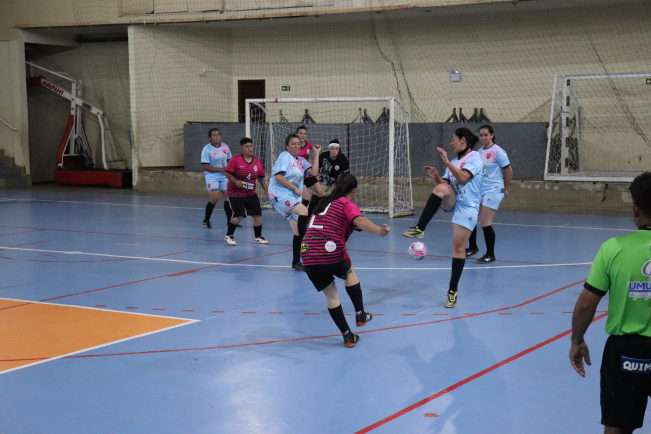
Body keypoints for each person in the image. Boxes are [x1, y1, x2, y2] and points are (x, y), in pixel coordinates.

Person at [570, 172, 651, 434]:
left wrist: (577, 340)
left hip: (626, 351)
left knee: (616, 425)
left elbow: (586, 304)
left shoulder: (613, 248)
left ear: (635, 207)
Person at [302, 173, 390, 347]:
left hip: (307, 254)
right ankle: (360, 314)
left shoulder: (322, 203)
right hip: (329, 250)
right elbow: (360, 221)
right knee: (349, 271)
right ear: (354, 190)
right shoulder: (346, 204)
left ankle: (347, 336)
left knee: (331, 295)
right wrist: (380, 231)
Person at [401, 128, 484, 308]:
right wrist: (436, 177)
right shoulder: (454, 162)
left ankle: (452, 291)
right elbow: (445, 186)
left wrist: (446, 161)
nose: (451, 143)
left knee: (458, 248)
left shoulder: (475, 158)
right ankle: (420, 228)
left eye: (454, 139)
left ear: (463, 140)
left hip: (468, 207)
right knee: (440, 188)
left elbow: (463, 177)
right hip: (454, 201)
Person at [268, 133, 321, 271]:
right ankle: (307, 250)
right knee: (304, 211)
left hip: (291, 197)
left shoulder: (301, 161)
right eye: (293, 144)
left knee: (298, 230)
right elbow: (278, 177)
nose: (296, 146)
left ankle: (296, 262)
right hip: (279, 194)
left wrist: (316, 154)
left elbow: (314, 172)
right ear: (287, 146)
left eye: (298, 144)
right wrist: (294, 188)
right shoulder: (284, 156)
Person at [466, 125, 513, 263]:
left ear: (492, 135)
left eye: (486, 135)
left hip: (493, 189)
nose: (483, 138)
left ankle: (490, 254)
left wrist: (504, 187)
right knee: (470, 217)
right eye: (481, 135)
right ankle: (473, 247)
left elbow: (509, 171)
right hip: (480, 189)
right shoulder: (480, 151)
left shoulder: (498, 152)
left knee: (485, 221)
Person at [223, 137, 268, 245]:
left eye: (251, 146)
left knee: (257, 215)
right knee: (238, 215)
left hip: (250, 193)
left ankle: (258, 237)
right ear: (242, 149)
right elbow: (227, 173)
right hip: (235, 193)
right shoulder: (235, 160)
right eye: (246, 147)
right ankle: (229, 235)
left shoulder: (257, 162)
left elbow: (261, 178)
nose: (249, 148)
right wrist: (236, 181)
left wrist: (266, 190)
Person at [201, 128, 233, 228]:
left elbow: (230, 161)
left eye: (218, 134)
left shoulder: (225, 147)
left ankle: (230, 222)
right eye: (214, 135)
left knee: (228, 198)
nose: (217, 137)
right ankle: (206, 220)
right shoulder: (206, 149)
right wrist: (220, 169)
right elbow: (205, 167)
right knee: (214, 199)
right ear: (210, 138)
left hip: (224, 177)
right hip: (212, 177)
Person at [296, 125, 326, 210]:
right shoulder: (294, 147)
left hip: (308, 174)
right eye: (301, 133)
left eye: (304, 133)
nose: (303, 135)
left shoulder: (309, 145)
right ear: (296, 134)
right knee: (306, 198)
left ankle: (311, 213)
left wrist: (313, 170)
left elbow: (308, 159)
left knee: (322, 194)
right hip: (299, 177)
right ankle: (299, 214)